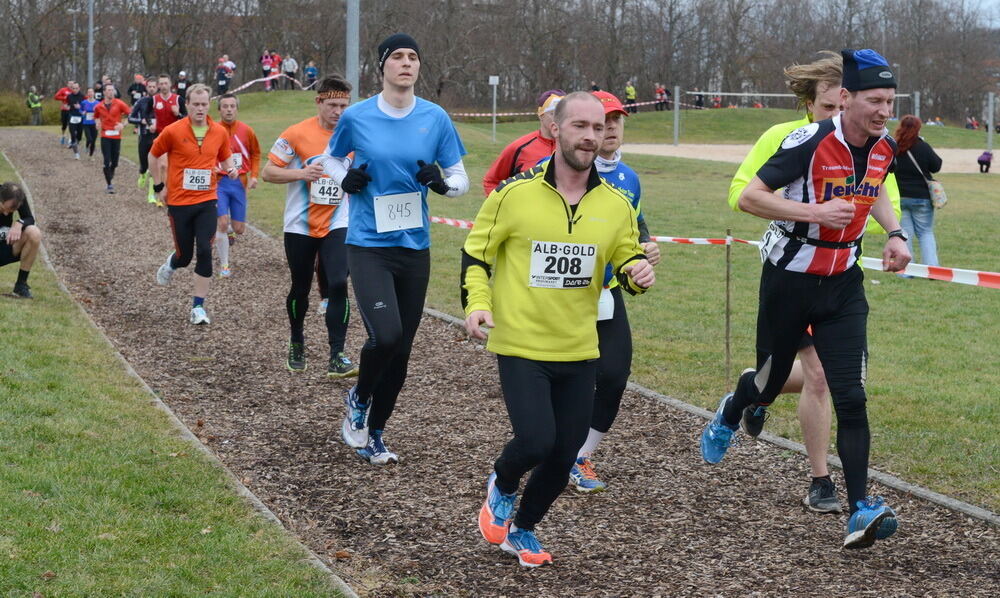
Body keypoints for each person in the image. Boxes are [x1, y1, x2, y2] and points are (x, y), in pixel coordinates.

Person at [700, 49, 910, 550]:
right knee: (769, 383)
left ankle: (860, 508)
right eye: (875, 101)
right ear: (845, 98)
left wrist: (896, 233)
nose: (885, 111)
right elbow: (749, 197)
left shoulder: (883, 146)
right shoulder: (806, 143)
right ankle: (737, 406)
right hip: (789, 283)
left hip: (842, 285)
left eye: (890, 100)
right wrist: (816, 213)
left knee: (851, 394)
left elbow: (874, 185)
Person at [465, 91, 654, 567]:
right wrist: (478, 305)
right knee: (535, 442)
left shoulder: (616, 204)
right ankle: (502, 485)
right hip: (522, 343)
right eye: (580, 126)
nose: (591, 136)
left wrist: (637, 273)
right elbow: (475, 255)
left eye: (597, 128)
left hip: (579, 347)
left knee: (564, 452)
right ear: (556, 129)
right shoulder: (513, 195)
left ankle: (524, 528)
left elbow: (626, 256)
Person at [321, 33, 469, 464]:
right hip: (368, 244)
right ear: (382, 66)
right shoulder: (358, 116)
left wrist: (441, 184)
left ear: (419, 67)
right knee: (385, 335)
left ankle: (376, 433)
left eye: (413, 58)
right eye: (398, 57)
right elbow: (331, 159)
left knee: (401, 351)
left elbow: (460, 177)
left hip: (414, 246)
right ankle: (359, 397)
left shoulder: (435, 118)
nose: (406, 63)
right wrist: (343, 179)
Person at [564, 91, 660, 493]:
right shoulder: (561, 171)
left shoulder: (629, 177)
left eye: (617, 120)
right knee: (570, 375)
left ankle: (580, 455)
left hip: (607, 290)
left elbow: (632, 227)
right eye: (604, 121)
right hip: (564, 289)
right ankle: (553, 447)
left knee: (615, 374)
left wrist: (646, 247)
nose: (612, 128)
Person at [262, 75, 360, 378]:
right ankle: (297, 342)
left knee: (337, 283)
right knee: (300, 287)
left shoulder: (355, 136)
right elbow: (268, 172)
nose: (338, 112)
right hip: (300, 224)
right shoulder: (296, 133)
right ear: (319, 102)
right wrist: (301, 174)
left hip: (338, 222)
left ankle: (337, 354)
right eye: (332, 105)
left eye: (344, 105)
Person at [149, 83, 238, 325]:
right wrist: (159, 187)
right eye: (195, 104)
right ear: (186, 105)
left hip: (207, 200)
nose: (200, 108)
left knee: (205, 252)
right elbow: (153, 155)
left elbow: (225, 156)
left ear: (209, 105)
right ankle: (172, 263)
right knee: (185, 256)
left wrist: (231, 169)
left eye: (204, 104)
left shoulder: (219, 132)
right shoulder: (173, 131)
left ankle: (198, 307)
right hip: (179, 202)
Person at [481, 89, 563, 195]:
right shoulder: (519, 147)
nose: (559, 120)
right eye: (553, 114)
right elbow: (491, 181)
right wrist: (505, 207)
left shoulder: (575, 147)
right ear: (541, 115)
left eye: (563, 115)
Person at [213, 93, 261, 277]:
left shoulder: (247, 131)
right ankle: (224, 265)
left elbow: (256, 154)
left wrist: (254, 176)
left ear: (237, 109)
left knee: (239, 229)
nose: (229, 110)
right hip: (219, 182)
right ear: (219, 110)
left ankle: (229, 231)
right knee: (222, 223)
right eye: (225, 106)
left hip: (240, 182)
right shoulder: (213, 130)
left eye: (232, 106)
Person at [894, 114, 943, 268]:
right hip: (922, 197)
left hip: (900, 195)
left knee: (905, 234)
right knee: (925, 233)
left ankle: (907, 269)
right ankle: (932, 268)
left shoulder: (894, 147)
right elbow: (936, 165)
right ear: (918, 128)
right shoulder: (922, 146)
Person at [0, 182, 42, 299]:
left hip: (4, 247)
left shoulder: (17, 197)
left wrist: (19, 224)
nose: (6, 214)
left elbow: (29, 218)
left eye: (11, 211)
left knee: (34, 232)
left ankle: (21, 285)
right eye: (3, 208)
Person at [129, 77, 162, 205]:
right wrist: (141, 121)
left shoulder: (160, 102)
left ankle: (152, 195)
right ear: (146, 88)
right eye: (150, 86)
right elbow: (131, 118)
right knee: (144, 165)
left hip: (158, 137)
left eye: (154, 86)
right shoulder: (141, 101)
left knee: (156, 167)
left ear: (157, 87)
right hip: (144, 136)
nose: (152, 89)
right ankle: (142, 173)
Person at [93, 86, 130, 194]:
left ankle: (112, 170)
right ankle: (109, 184)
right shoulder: (99, 106)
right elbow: (96, 116)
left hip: (116, 136)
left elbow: (130, 114)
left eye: (112, 90)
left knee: (115, 162)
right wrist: (97, 123)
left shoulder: (119, 103)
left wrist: (123, 124)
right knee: (106, 161)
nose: (111, 92)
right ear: (104, 92)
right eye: (108, 90)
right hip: (105, 136)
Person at [80, 88, 99, 160]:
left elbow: (100, 112)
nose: (90, 93)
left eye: (91, 92)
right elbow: (80, 110)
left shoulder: (97, 103)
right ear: (87, 94)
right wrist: (82, 113)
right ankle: (87, 146)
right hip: (86, 123)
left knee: (93, 140)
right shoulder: (84, 102)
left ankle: (91, 155)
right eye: (89, 92)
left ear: (94, 93)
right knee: (89, 138)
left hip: (94, 123)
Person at [54, 81, 72, 145]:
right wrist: (64, 97)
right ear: (67, 84)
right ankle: (63, 136)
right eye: (70, 84)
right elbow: (56, 97)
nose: (71, 85)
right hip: (64, 109)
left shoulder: (75, 91)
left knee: (71, 125)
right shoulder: (63, 90)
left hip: (71, 110)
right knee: (64, 125)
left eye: (72, 84)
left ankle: (70, 139)